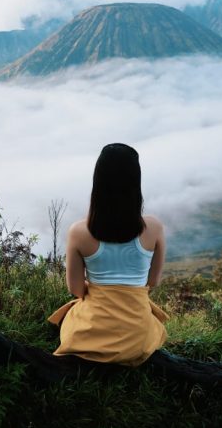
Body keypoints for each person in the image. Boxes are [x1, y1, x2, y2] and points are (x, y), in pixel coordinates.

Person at [47, 143, 168, 366]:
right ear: (135, 184)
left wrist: (102, 290)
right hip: (137, 337)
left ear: (98, 183)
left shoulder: (79, 232)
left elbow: (75, 290)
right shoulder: (155, 229)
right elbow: (152, 282)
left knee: (72, 319)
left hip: (90, 335)